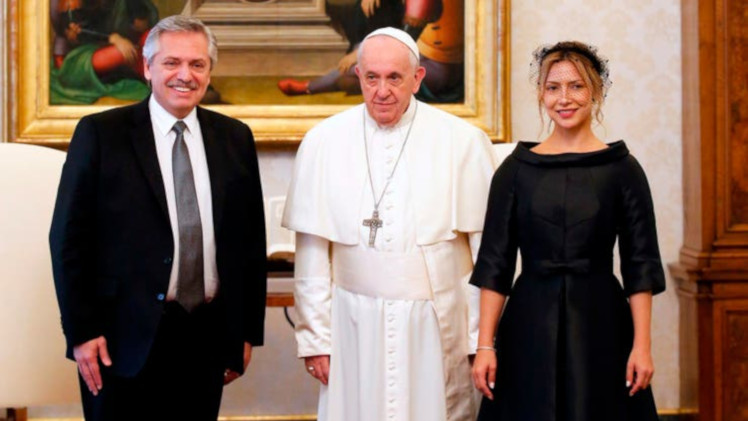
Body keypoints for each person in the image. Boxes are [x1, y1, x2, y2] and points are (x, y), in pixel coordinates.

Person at [49, 15, 267, 421]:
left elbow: (250, 241)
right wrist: (81, 332)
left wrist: (245, 331)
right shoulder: (101, 134)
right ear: (147, 68)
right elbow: (68, 240)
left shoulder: (235, 137)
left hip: (205, 335)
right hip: (119, 340)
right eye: (172, 63)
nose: (185, 75)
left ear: (209, 72)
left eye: (197, 64)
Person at [282, 27, 497, 421]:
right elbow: (312, 253)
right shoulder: (323, 141)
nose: (382, 91)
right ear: (358, 76)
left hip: (435, 324)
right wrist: (316, 339)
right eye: (372, 77)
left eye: (394, 77)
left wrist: (480, 340)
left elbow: (486, 254)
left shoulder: (463, 141)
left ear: (417, 78)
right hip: (352, 325)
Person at [470, 41, 666, 421]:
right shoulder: (514, 171)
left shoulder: (623, 170)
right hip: (528, 323)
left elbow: (640, 265)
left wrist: (642, 346)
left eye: (576, 86)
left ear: (596, 91)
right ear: (541, 94)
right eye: (553, 87)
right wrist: (485, 346)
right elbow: (495, 264)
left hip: (602, 323)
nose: (564, 98)